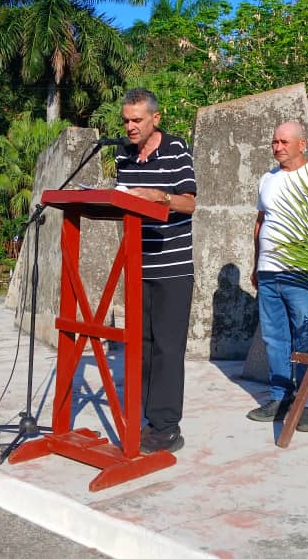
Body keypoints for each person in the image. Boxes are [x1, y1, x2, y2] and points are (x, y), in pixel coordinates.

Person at [115, 88, 197, 454]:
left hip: (173, 267)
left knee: (167, 348)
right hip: (137, 264)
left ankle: (166, 427)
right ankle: (146, 420)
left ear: (155, 118)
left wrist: (158, 196)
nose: (130, 127)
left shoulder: (176, 150)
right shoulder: (122, 153)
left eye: (137, 120)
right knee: (141, 349)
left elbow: (190, 203)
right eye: (126, 120)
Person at [247, 121, 308, 433]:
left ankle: (307, 404)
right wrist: (256, 264)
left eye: (283, 142)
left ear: (301, 144)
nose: (277, 147)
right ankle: (280, 398)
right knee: (274, 339)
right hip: (269, 272)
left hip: (303, 274)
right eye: (274, 142)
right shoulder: (267, 179)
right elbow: (260, 222)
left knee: (306, 337)